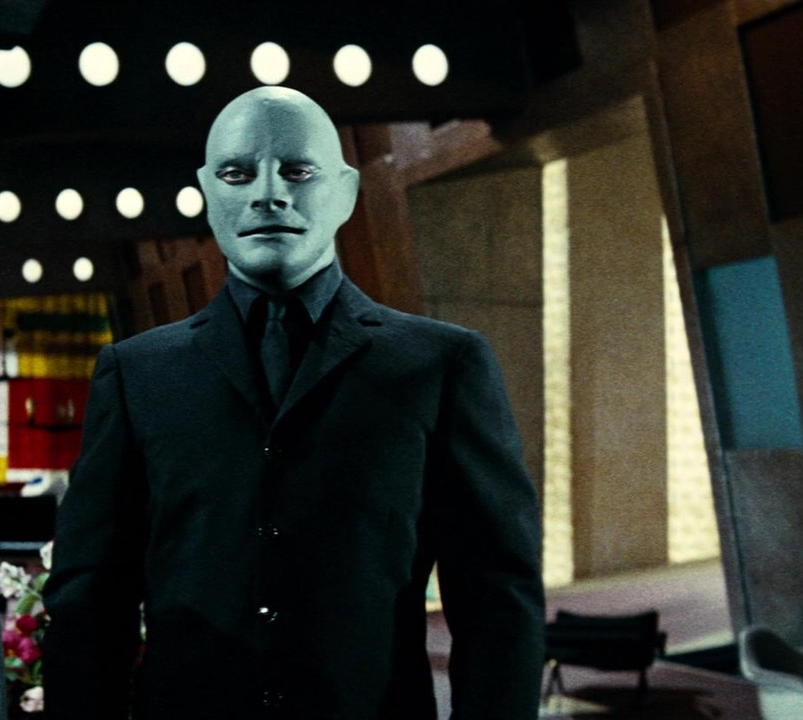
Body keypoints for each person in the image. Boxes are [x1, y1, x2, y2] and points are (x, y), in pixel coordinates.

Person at [43, 86, 544, 720]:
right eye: (236, 173)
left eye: (298, 171)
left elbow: (497, 600)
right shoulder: (136, 374)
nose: (268, 193)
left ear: (346, 191)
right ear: (207, 191)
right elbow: (90, 602)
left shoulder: (441, 365)